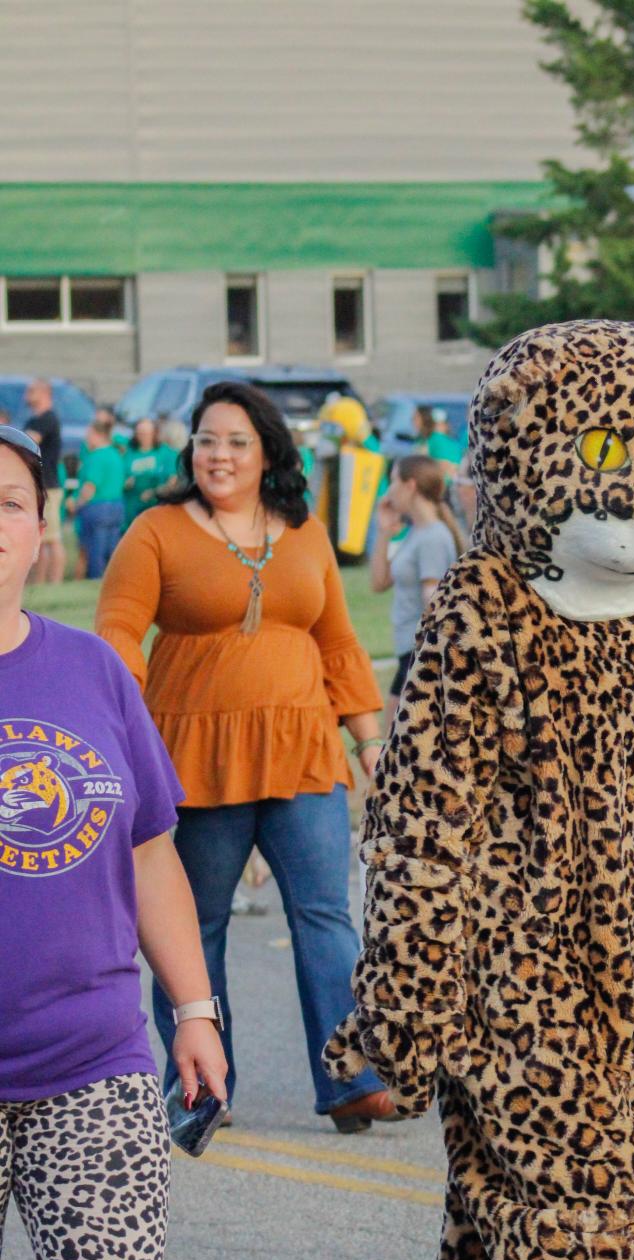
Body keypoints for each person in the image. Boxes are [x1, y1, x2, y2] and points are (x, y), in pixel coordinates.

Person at [0, 423, 227, 1260]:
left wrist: (191, 1008)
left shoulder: (91, 671)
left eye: (9, 500)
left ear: (43, 528)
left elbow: (147, 851)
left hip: (92, 1051)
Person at [94, 380, 395, 1132]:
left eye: (235, 442)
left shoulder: (303, 529)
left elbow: (338, 642)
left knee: (325, 914)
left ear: (267, 454)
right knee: (195, 925)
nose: (218, 455)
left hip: (302, 750)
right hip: (194, 755)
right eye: (205, 440)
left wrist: (371, 744)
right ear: (188, 449)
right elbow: (119, 632)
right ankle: (200, 1082)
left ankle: (349, 1076)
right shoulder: (155, 530)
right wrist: (116, 727)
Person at [370, 455, 461, 730]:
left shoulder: (433, 537)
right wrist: (384, 532)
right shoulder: (417, 533)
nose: (389, 491)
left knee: (396, 740)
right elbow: (379, 582)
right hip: (407, 648)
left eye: (393, 481)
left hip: (419, 651)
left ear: (410, 486)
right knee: (397, 742)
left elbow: (432, 599)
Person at [67, 414, 126, 579]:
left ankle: (96, 580)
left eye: (88, 435)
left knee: (95, 550)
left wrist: (77, 505)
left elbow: (89, 487)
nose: (87, 440)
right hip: (117, 506)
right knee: (112, 549)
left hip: (98, 508)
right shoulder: (116, 454)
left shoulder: (97, 456)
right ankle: (114, 579)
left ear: (96, 435)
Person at [22, 379, 65, 585]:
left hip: (49, 485)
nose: (26, 394)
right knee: (38, 538)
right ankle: (39, 583)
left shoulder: (49, 418)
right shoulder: (32, 420)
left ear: (44, 393)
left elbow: (28, 442)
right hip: (36, 485)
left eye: (31, 390)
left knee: (53, 537)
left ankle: (55, 582)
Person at [123, 416, 179, 522]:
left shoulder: (167, 453)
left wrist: (154, 492)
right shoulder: (129, 453)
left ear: (154, 433)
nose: (143, 437)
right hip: (132, 511)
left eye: (147, 434)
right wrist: (126, 483)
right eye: (140, 433)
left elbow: (173, 482)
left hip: (158, 508)